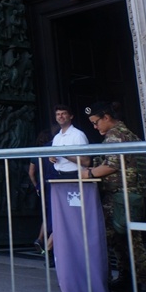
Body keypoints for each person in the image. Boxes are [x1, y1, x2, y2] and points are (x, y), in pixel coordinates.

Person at [80, 101, 146, 292]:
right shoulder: (126, 134)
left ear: (106, 117)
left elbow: (111, 166)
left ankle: (141, 288)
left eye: (96, 122)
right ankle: (128, 281)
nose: (95, 127)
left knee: (129, 241)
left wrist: (88, 174)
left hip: (123, 197)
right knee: (121, 241)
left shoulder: (116, 136)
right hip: (123, 196)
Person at [28, 127, 58, 256]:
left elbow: (31, 173)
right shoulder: (55, 148)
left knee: (48, 214)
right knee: (56, 213)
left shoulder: (38, 153)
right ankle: (47, 244)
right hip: (56, 184)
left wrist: (37, 186)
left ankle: (41, 239)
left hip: (43, 185)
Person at [48, 104, 90, 177]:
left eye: (63, 113)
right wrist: (52, 157)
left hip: (75, 176)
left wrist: (65, 155)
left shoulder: (78, 135)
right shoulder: (56, 137)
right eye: (58, 114)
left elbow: (86, 161)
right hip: (58, 175)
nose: (60, 116)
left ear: (71, 116)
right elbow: (54, 156)